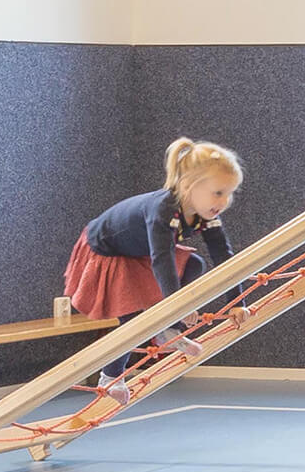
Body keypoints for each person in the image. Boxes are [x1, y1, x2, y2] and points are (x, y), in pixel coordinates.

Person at [64, 138, 244, 381]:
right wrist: (178, 308)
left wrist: (237, 301)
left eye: (229, 194)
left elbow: (223, 255)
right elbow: (163, 260)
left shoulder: (207, 216)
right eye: (218, 193)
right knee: (132, 315)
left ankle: (166, 331)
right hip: (105, 249)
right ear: (190, 184)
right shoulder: (163, 210)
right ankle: (110, 377)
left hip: (138, 250)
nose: (224, 202)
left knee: (194, 264)